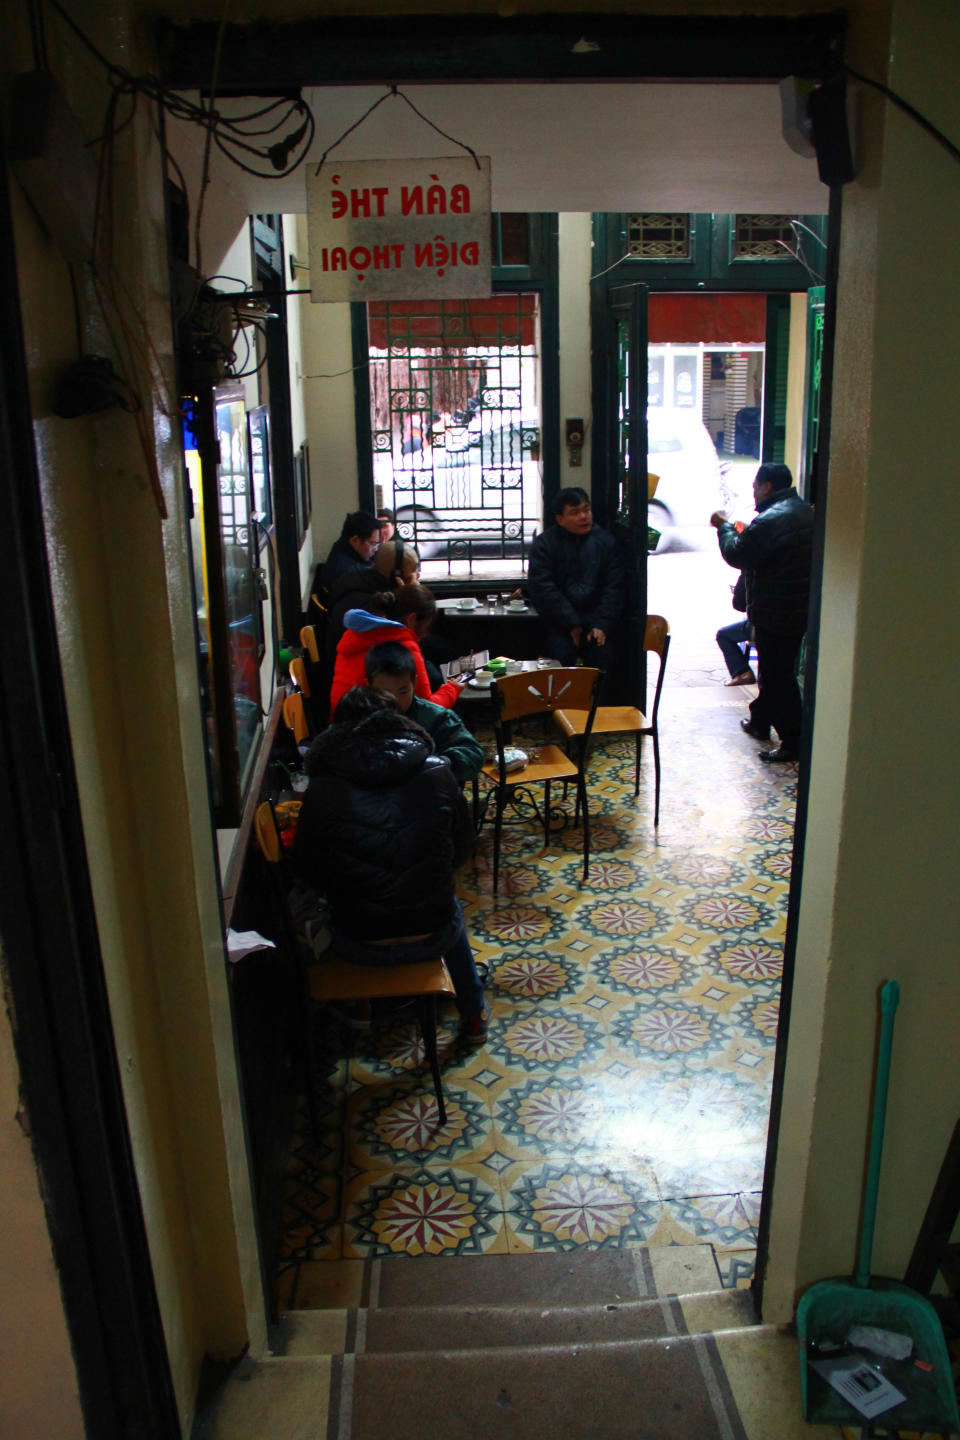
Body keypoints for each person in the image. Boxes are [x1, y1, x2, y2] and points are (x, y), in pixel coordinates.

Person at [293, 687, 489, 1043]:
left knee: (341, 898)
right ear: (399, 721)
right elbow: (462, 852)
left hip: (357, 944)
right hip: (434, 937)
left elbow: (309, 871)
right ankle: (473, 1014)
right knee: (449, 904)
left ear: (337, 732)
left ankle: (361, 1006)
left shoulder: (321, 788)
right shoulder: (437, 771)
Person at [710, 462, 814, 762]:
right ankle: (759, 722)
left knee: (778, 677)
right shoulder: (805, 511)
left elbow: (737, 553)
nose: (754, 493)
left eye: (755, 486)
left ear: (766, 486)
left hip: (775, 612)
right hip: (796, 609)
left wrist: (724, 527)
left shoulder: (771, 519)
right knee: (776, 671)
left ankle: (793, 741)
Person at [527, 487, 625, 673]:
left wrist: (601, 624)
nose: (583, 516)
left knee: (604, 663)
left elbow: (614, 588)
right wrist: (572, 623)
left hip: (595, 623)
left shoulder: (606, 543)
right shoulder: (545, 544)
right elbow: (543, 589)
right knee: (557, 662)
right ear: (560, 519)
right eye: (575, 512)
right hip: (559, 623)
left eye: (586, 510)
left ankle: (599, 703)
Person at [329, 582, 465, 715]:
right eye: (426, 627)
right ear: (411, 619)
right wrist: (452, 689)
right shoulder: (405, 647)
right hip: (375, 729)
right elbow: (426, 710)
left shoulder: (356, 634)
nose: (425, 634)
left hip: (339, 722)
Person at [365, 641, 484, 785]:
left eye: (403, 691)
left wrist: (440, 763)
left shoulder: (435, 717)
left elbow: (473, 755)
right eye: (384, 693)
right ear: (369, 686)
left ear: (414, 683)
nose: (395, 700)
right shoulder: (362, 716)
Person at [325, 537, 420, 662]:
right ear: (396, 576)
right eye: (413, 570)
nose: (417, 575)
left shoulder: (363, 580)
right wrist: (410, 596)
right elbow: (402, 645)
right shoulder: (370, 606)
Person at [716, 572, 756, 686]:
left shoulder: (751, 567)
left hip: (762, 624)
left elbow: (739, 604)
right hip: (791, 623)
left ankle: (742, 672)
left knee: (723, 635)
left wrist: (737, 591)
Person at [322, 510, 381, 585]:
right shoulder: (348, 573)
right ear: (355, 540)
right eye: (373, 543)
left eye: (377, 544)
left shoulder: (341, 547)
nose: (375, 549)